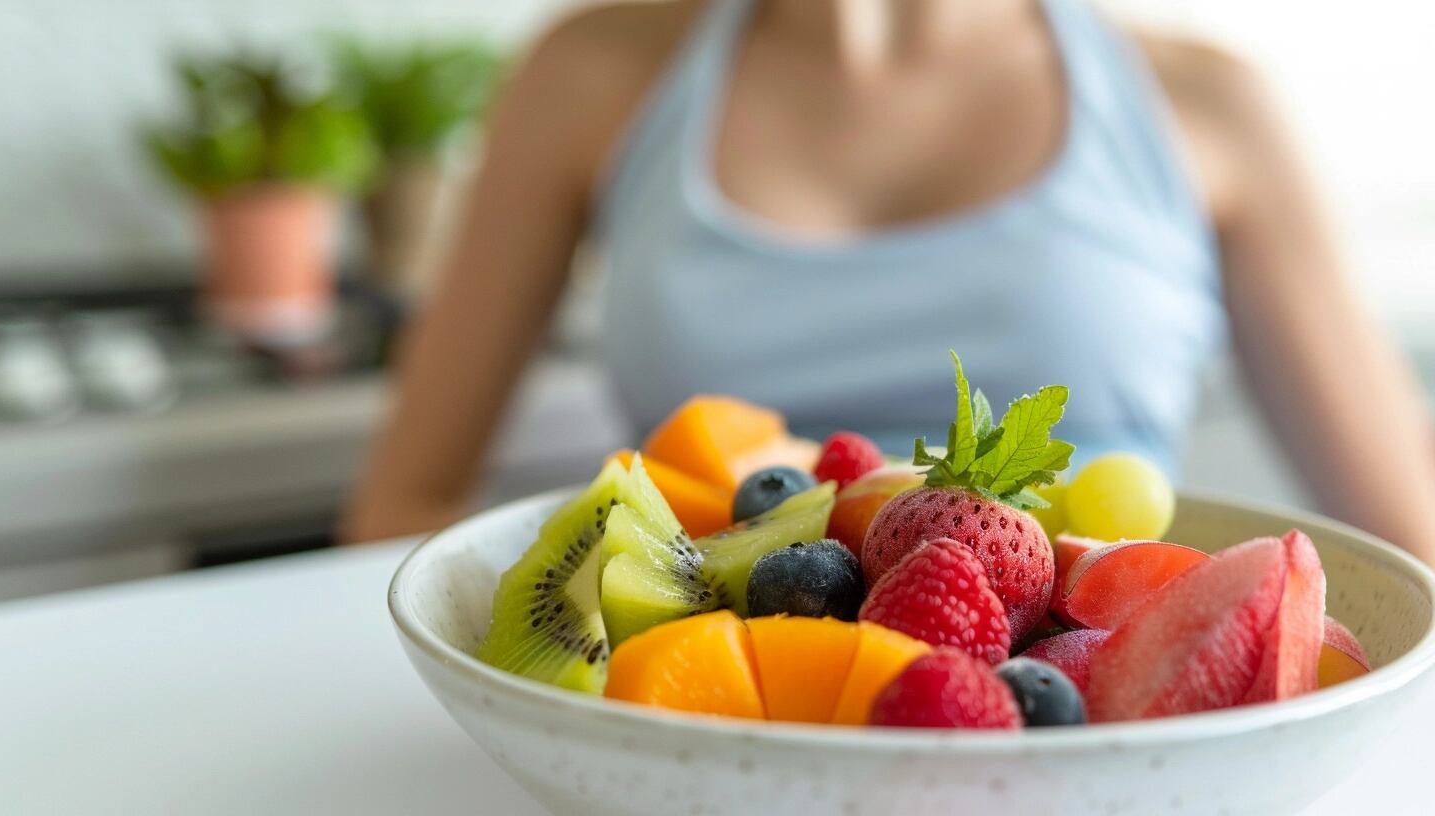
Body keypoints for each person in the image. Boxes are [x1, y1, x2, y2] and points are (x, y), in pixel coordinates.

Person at [343, 0, 1435, 563]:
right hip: (716, 728)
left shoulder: (1204, 103)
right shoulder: (595, 71)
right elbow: (402, 504)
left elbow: (1412, 542)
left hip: (1094, 742)